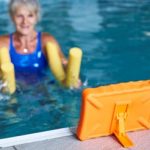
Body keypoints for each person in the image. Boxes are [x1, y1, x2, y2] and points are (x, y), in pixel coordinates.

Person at [0, 0, 67, 82]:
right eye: (19, 16)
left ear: (36, 17)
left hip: (42, 88)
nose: (25, 22)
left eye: (30, 16)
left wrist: (72, 77)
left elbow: (63, 64)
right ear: (12, 17)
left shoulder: (46, 41)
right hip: (13, 90)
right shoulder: (3, 43)